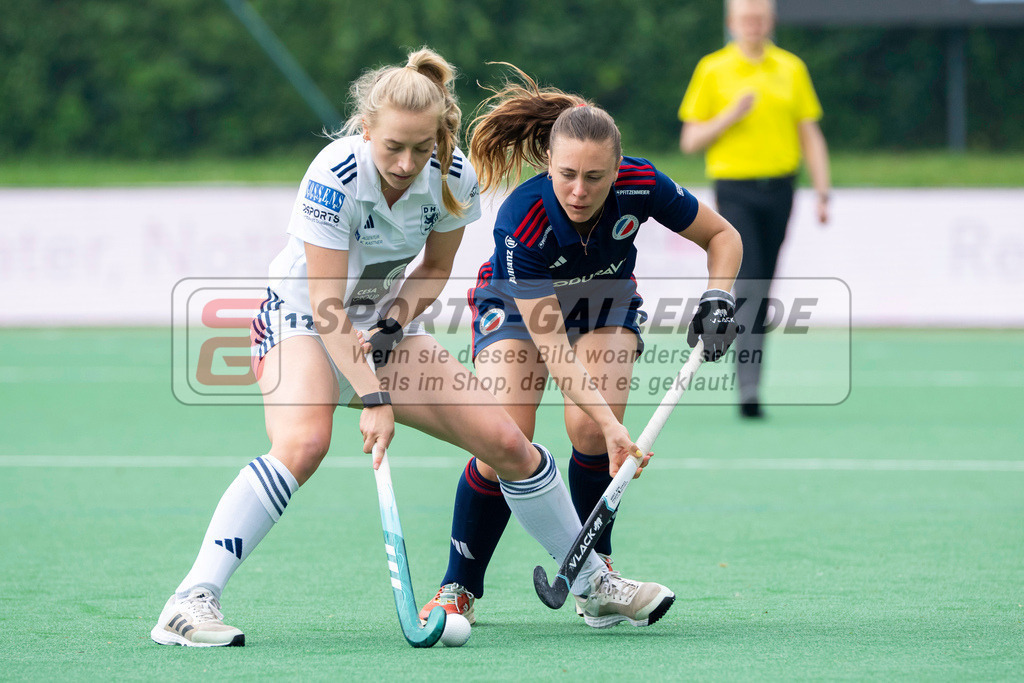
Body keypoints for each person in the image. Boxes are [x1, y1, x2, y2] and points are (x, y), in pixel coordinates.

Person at [150, 48, 675, 648]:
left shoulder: (452, 177)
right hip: (300, 321)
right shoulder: (334, 176)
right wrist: (374, 397)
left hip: (381, 327)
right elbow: (326, 306)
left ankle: (591, 582)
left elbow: (433, 270)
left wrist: (395, 326)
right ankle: (191, 599)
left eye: (422, 148)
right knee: (303, 443)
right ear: (366, 129)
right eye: (392, 147)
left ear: (440, 136)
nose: (406, 163)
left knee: (507, 442)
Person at [418, 65, 742, 629]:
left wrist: (719, 298)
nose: (579, 190)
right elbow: (552, 348)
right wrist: (618, 427)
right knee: (504, 443)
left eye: (596, 177)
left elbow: (723, 237)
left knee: (591, 431)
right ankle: (458, 585)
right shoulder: (524, 217)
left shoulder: (642, 184)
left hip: (604, 304)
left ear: (617, 170)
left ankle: (597, 576)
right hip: (517, 309)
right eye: (567, 174)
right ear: (549, 164)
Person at [678, 0, 831, 418]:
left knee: (763, 285)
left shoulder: (790, 68)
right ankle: (748, 387)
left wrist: (822, 189)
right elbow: (690, 140)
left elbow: (809, 133)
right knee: (749, 283)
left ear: (771, 22)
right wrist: (730, 115)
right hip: (735, 190)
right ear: (731, 23)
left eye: (760, 18)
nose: (753, 25)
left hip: (780, 189)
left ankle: (750, 378)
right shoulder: (713, 69)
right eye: (746, 19)